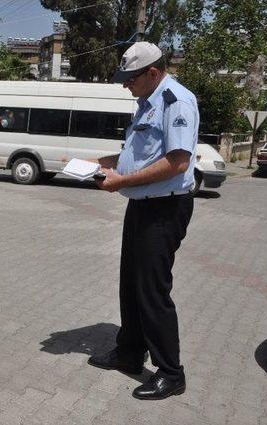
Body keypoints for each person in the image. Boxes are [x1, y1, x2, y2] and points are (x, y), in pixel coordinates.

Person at [86, 42, 198, 400]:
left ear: (153, 72)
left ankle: (171, 372)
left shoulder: (175, 101)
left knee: (152, 290)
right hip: (142, 205)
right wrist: (102, 163)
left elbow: (177, 162)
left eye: (129, 78)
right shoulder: (146, 102)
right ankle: (130, 353)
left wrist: (121, 181)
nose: (124, 85)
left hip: (165, 208)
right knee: (130, 284)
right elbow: (139, 154)